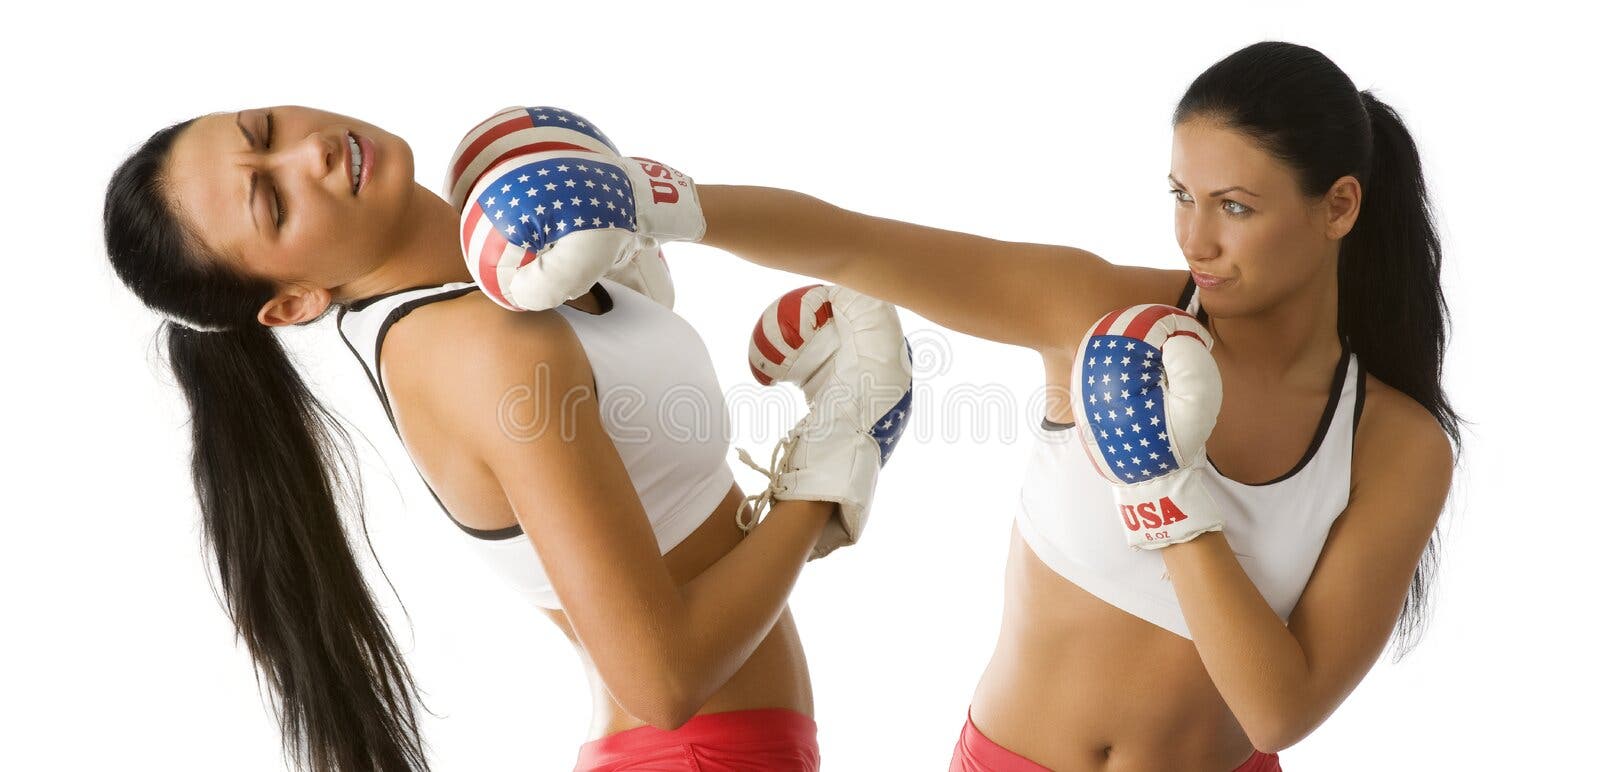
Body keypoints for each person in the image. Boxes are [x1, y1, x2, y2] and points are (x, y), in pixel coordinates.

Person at [679, 40, 1459, 770]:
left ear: (1340, 207)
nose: (1196, 239)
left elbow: (1276, 712)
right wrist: (659, 202)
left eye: (1236, 207)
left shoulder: (1396, 443)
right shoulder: (1095, 313)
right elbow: (854, 242)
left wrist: (1162, 491)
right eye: (1182, 195)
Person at [100, 103, 910, 771]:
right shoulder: (484, 349)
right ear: (292, 305)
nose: (308, 152)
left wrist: (638, 219)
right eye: (272, 203)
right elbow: (664, 678)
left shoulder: (499, 276)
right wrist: (837, 454)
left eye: (263, 130)